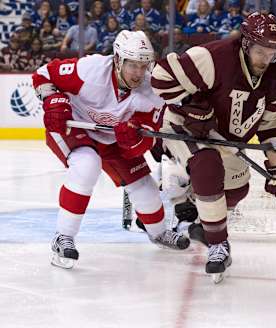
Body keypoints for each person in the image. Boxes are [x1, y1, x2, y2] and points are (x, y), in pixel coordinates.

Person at [150, 12, 276, 279]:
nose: (267, 59)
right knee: (208, 167)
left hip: (226, 139)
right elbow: (160, 78)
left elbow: (271, 127)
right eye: (262, 51)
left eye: (272, 52)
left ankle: (199, 212)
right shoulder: (214, 57)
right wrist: (192, 106)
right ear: (247, 43)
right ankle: (218, 244)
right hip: (185, 128)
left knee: (237, 190)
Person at [31, 30, 190, 269]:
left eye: (143, 65)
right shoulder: (90, 70)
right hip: (74, 127)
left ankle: (158, 233)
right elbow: (43, 75)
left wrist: (134, 137)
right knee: (87, 165)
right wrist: (52, 100)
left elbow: (145, 140)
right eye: (132, 66)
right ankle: (63, 237)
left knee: (145, 187)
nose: (139, 73)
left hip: (113, 138)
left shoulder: (153, 90)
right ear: (117, 60)